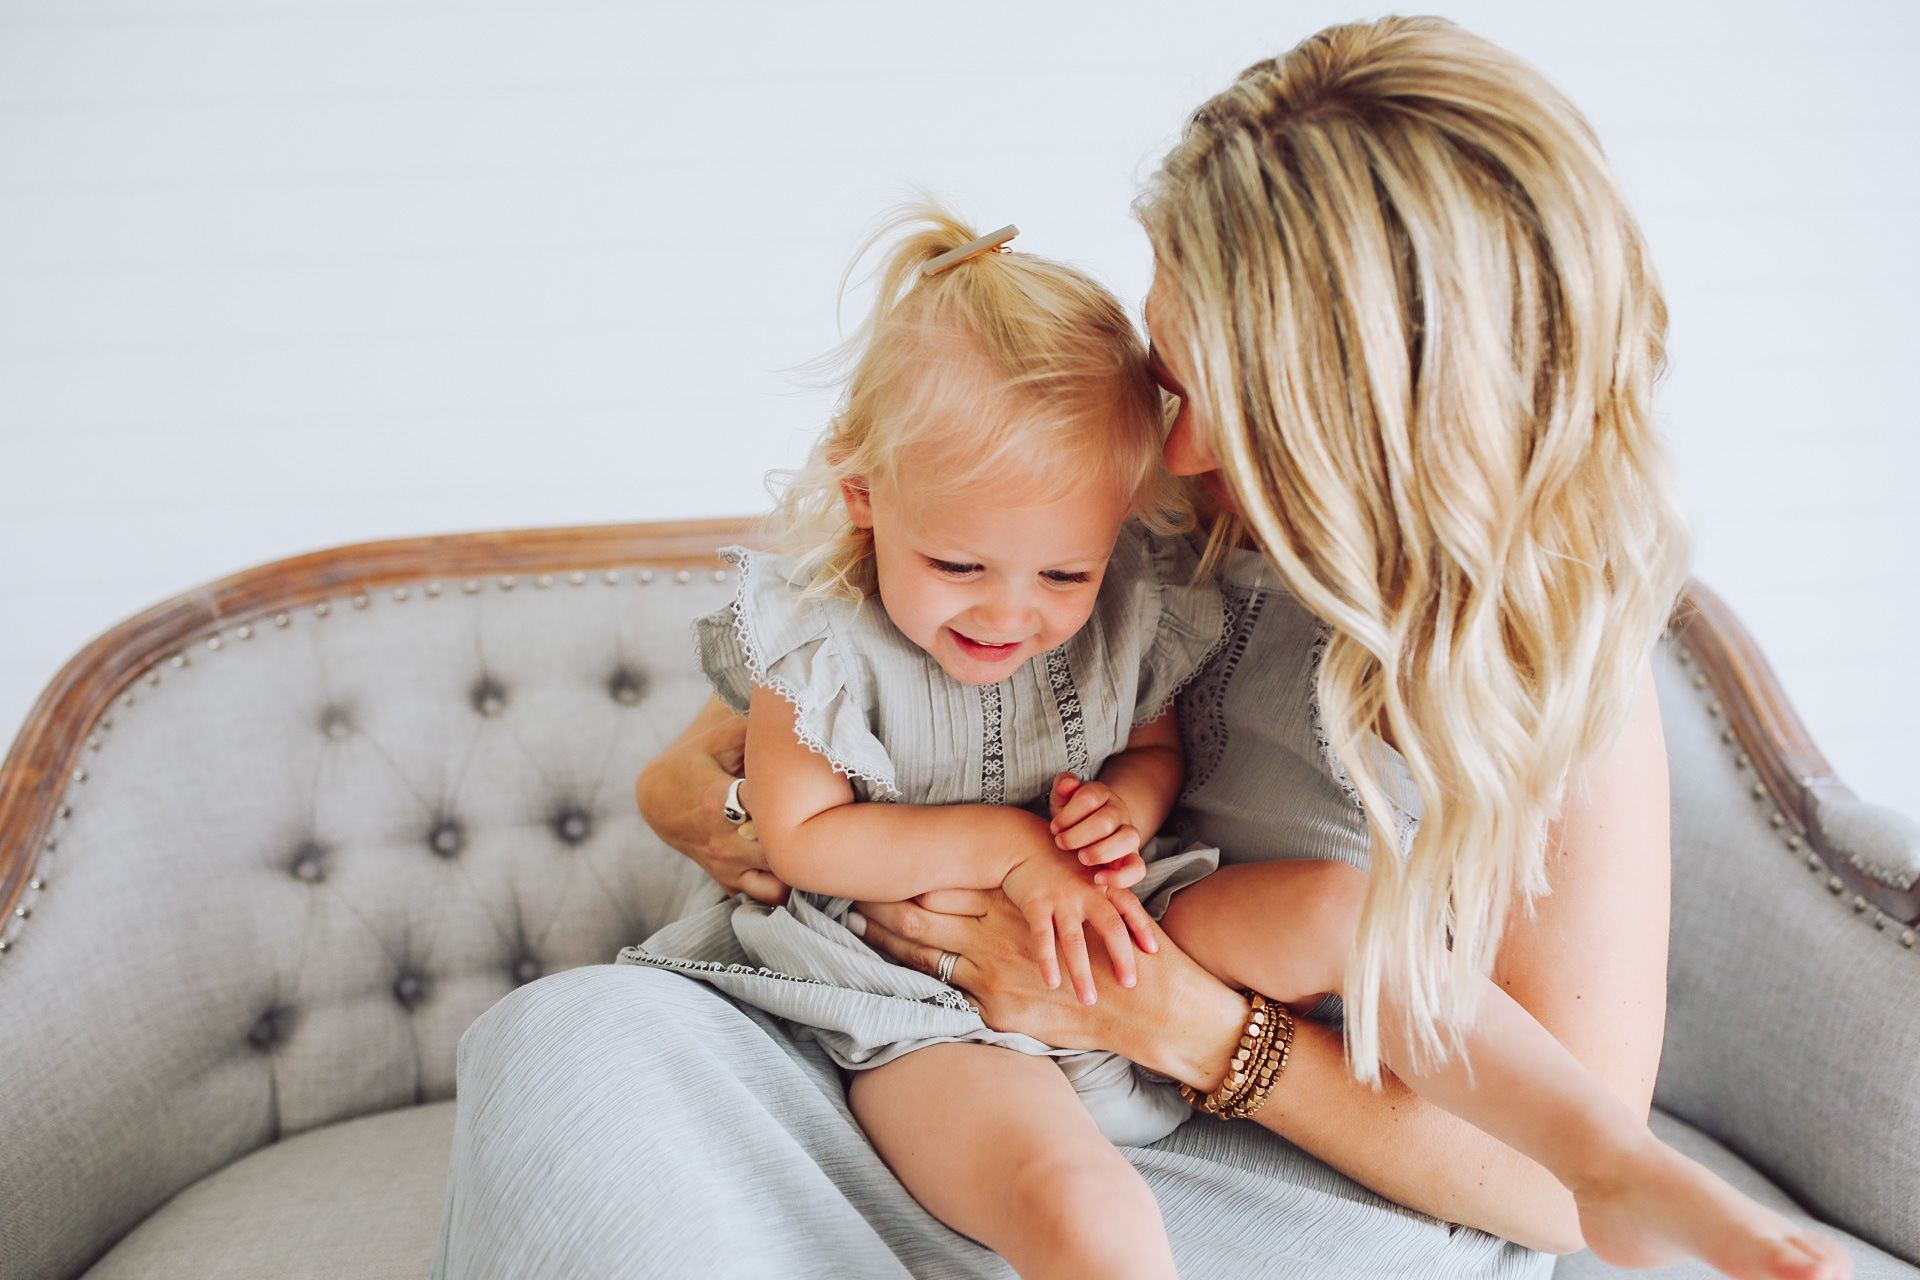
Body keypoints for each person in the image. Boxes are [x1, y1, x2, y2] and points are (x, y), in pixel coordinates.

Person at [432, 18, 1853, 1280]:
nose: (1168, 448)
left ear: (1369, 408)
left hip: (1276, 1170)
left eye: (1219, 392)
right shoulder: (1148, 510)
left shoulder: (1553, 665)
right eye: (1167, 369)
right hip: (910, 1047)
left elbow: (1536, 1193)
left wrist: (1179, 1026)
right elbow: (763, 742)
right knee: (569, 1046)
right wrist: (736, 809)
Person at [617, 206, 1231, 1280]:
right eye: (958, 565)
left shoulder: (1134, 605)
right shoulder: (815, 639)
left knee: (1323, 918)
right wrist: (1007, 847)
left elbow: (1154, 748)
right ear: (864, 498)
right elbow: (800, 836)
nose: (1009, 612)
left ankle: (1562, 1143)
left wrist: (1123, 808)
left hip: (1097, 958)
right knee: (1078, 1206)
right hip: (905, 989)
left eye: (1061, 573)